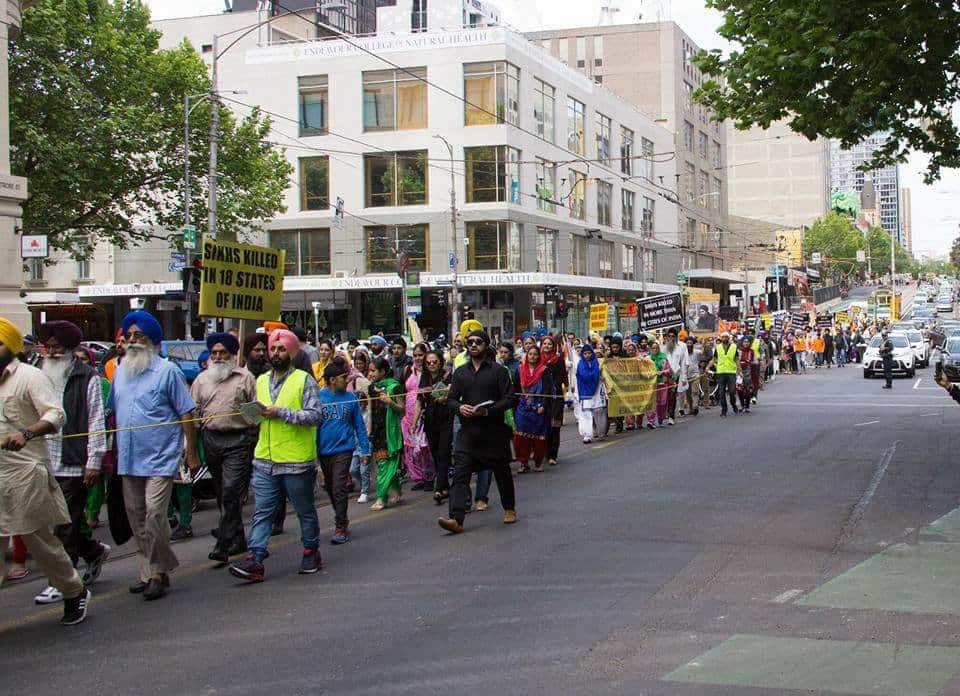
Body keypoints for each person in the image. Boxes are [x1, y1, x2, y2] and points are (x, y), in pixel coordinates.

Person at [0, 318, 90, 625]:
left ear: (9, 347)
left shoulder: (30, 377)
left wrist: (26, 433)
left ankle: (73, 590)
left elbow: (56, 414)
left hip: (25, 474)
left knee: (41, 543)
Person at [110, 310, 198, 600]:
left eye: (139, 336)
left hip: (161, 457)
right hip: (128, 457)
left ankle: (159, 571)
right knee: (136, 518)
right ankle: (148, 570)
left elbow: (186, 412)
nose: (132, 340)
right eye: (129, 335)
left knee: (155, 514)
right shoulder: (120, 371)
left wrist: (191, 450)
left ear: (152, 340)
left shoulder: (167, 371)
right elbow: (114, 411)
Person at [228, 329, 322, 584]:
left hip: (296, 461)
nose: (276, 353)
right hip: (265, 460)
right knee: (262, 512)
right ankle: (256, 558)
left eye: (281, 349)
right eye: (273, 349)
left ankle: (311, 550)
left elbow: (315, 415)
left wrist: (282, 412)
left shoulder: (304, 380)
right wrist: (249, 415)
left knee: (304, 510)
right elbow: (258, 416)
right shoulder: (259, 381)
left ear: (291, 352)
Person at [33, 321, 109, 605]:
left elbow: (96, 421)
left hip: (72, 461)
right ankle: (92, 551)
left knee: (63, 523)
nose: (51, 352)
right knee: (57, 522)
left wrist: (94, 460)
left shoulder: (87, 377)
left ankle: (63, 581)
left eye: (57, 347)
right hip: (40, 460)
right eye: (47, 346)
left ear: (69, 348)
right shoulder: (37, 375)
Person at [438, 330, 516, 534]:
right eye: (469, 342)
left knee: (502, 472)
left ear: (486, 345)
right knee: (460, 475)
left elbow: (510, 398)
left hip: (493, 431)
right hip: (468, 432)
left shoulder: (498, 371)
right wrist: (459, 408)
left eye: (477, 342)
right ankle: (456, 519)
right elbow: (452, 399)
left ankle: (509, 508)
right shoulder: (461, 372)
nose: (473, 345)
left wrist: (488, 410)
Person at [190, 332, 257, 565]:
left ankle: (224, 542)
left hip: (238, 440)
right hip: (211, 440)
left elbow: (255, 412)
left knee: (231, 490)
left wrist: (252, 437)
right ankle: (238, 536)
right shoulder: (201, 380)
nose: (218, 357)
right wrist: (192, 448)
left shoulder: (245, 378)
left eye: (223, 353)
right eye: (214, 353)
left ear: (232, 355)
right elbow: (194, 413)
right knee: (221, 492)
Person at [316, 356, 370, 545]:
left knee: (339, 487)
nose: (346, 380)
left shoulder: (350, 398)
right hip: (323, 451)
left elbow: (359, 426)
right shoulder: (319, 398)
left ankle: (340, 525)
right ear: (332, 380)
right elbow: (313, 427)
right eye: (342, 377)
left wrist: (365, 450)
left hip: (344, 449)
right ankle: (342, 516)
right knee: (330, 487)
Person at [417, 349, 454, 505]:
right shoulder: (424, 378)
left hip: (446, 418)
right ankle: (445, 486)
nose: (431, 364)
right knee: (435, 453)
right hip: (430, 420)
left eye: (434, 362)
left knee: (444, 452)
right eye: (428, 362)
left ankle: (438, 489)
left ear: (440, 362)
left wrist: (445, 397)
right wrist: (414, 422)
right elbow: (419, 400)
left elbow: (454, 394)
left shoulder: (448, 376)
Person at [367, 356, 404, 511]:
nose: (370, 374)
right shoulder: (372, 387)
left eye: (373, 371)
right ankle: (396, 489)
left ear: (383, 371)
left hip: (390, 432)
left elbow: (402, 409)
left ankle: (381, 497)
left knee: (384, 465)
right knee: (383, 464)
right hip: (377, 430)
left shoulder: (394, 387)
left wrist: (390, 402)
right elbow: (370, 407)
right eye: (369, 371)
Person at [513, 344, 553, 473]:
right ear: (526, 355)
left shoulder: (544, 370)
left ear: (539, 356)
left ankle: (538, 461)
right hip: (523, 407)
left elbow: (548, 389)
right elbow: (515, 389)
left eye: (535, 354)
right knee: (520, 436)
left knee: (538, 436)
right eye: (530, 354)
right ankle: (523, 462)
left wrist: (543, 405)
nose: (533, 356)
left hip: (539, 407)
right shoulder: (519, 370)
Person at [402, 342, 434, 491]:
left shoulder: (429, 371)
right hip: (408, 415)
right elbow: (402, 390)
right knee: (410, 449)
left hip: (423, 413)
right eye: (415, 355)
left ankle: (430, 476)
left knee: (423, 447)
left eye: (420, 355)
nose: (418, 358)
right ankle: (418, 477)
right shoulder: (408, 370)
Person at [347, 347, 373, 503]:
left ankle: (365, 490)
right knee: (353, 468)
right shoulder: (351, 380)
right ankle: (364, 482)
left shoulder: (368, 411)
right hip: (353, 438)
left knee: (364, 465)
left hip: (366, 437)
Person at [575, 344, 606, 443]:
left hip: (597, 389)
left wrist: (600, 374)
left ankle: (601, 432)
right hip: (585, 391)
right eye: (585, 353)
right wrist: (596, 374)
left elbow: (602, 375)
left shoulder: (597, 363)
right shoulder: (580, 364)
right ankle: (587, 435)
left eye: (589, 353)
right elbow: (584, 376)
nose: (587, 355)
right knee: (586, 413)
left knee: (599, 411)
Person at [709, 332, 739, 417]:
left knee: (732, 391)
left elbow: (736, 359)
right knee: (721, 392)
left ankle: (733, 404)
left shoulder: (734, 347)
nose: (725, 339)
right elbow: (714, 359)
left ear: (729, 338)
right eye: (723, 337)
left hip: (731, 372)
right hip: (721, 372)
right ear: (721, 338)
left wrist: (739, 370)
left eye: (726, 337)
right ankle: (724, 410)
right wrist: (708, 367)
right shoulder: (718, 348)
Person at [664, 329, 688, 424]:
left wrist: (684, 377)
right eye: (669, 336)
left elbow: (683, 363)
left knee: (673, 396)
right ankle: (665, 412)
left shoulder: (681, 347)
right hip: (665, 376)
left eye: (673, 336)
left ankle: (671, 416)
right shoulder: (663, 348)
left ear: (676, 337)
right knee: (665, 396)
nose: (671, 338)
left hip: (675, 375)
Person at [648, 341, 672, 428]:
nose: (655, 349)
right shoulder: (647, 359)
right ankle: (651, 421)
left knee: (662, 403)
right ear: (650, 349)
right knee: (652, 402)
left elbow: (669, 370)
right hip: (651, 385)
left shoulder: (664, 358)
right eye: (653, 348)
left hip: (662, 383)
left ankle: (661, 420)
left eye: (657, 348)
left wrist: (662, 372)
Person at [683, 337, 702, 416]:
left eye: (691, 343)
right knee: (688, 394)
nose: (689, 345)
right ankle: (691, 409)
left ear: (693, 344)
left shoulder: (697, 352)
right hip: (686, 376)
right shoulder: (683, 354)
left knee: (695, 392)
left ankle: (695, 407)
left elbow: (704, 356)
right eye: (687, 343)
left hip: (695, 375)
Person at [737, 336, 755, 413]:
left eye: (747, 342)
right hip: (739, 371)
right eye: (744, 342)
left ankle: (747, 406)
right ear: (742, 343)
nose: (746, 343)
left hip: (748, 370)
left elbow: (753, 361)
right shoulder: (738, 351)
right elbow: (735, 360)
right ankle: (741, 405)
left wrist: (749, 362)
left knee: (748, 389)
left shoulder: (751, 351)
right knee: (739, 388)